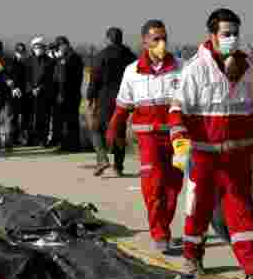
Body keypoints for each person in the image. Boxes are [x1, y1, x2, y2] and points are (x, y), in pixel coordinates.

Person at [169, 8, 253, 279]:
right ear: (212, 35)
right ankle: (191, 259)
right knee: (198, 210)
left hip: (237, 159)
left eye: (235, 33)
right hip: (205, 157)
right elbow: (176, 111)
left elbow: (250, 114)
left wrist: (252, 153)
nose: (231, 38)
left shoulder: (246, 70)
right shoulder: (195, 69)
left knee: (242, 210)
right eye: (226, 34)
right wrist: (181, 145)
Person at [107, 20, 184, 254]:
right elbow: (122, 108)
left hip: (176, 138)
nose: (161, 44)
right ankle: (159, 234)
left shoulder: (182, 68)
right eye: (156, 39)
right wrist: (114, 130)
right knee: (154, 185)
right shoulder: (132, 71)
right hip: (148, 139)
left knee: (172, 188)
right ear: (145, 42)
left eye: (164, 39)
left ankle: (165, 228)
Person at [88, 26, 137, 176]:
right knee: (119, 131)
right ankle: (118, 166)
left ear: (108, 39)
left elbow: (94, 78)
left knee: (96, 129)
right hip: (125, 98)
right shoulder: (131, 56)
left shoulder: (101, 56)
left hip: (105, 98)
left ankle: (102, 159)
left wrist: (91, 96)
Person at [50, 36, 85, 151]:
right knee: (68, 120)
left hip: (69, 94)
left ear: (65, 45)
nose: (58, 50)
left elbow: (64, 78)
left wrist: (61, 94)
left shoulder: (72, 58)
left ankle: (70, 145)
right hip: (67, 93)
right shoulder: (66, 58)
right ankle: (70, 144)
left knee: (69, 120)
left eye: (59, 47)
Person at [0, 40, 21, 151]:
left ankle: (0, 142)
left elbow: (7, 76)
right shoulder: (7, 60)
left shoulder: (5, 61)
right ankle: (4, 142)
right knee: (4, 117)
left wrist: (13, 86)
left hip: (2, 93)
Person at [26, 36, 55, 147]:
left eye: (40, 47)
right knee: (30, 118)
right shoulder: (28, 61)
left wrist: (40, 88)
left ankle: (43, 139)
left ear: (44, 48)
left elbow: (51, 78)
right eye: (36, 47)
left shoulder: (50, 61)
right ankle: (30, 139)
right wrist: (31, 89)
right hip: (30, 94)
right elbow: (26, 77)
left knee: (44, 117)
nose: (38, 48)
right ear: (33, 48)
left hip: (44, 94)